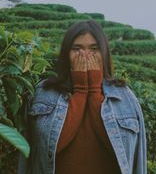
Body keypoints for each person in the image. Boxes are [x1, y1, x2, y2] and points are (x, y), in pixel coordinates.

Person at [18, 20, 147, 174]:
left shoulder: (125, 97)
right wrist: (81, 90)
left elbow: (127, 153)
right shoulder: (44, 93)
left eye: (94, 49)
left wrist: (93, 90)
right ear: (67, 54)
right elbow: (49, 147)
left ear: (104, 53)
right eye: (77, 49)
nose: (85, 55)